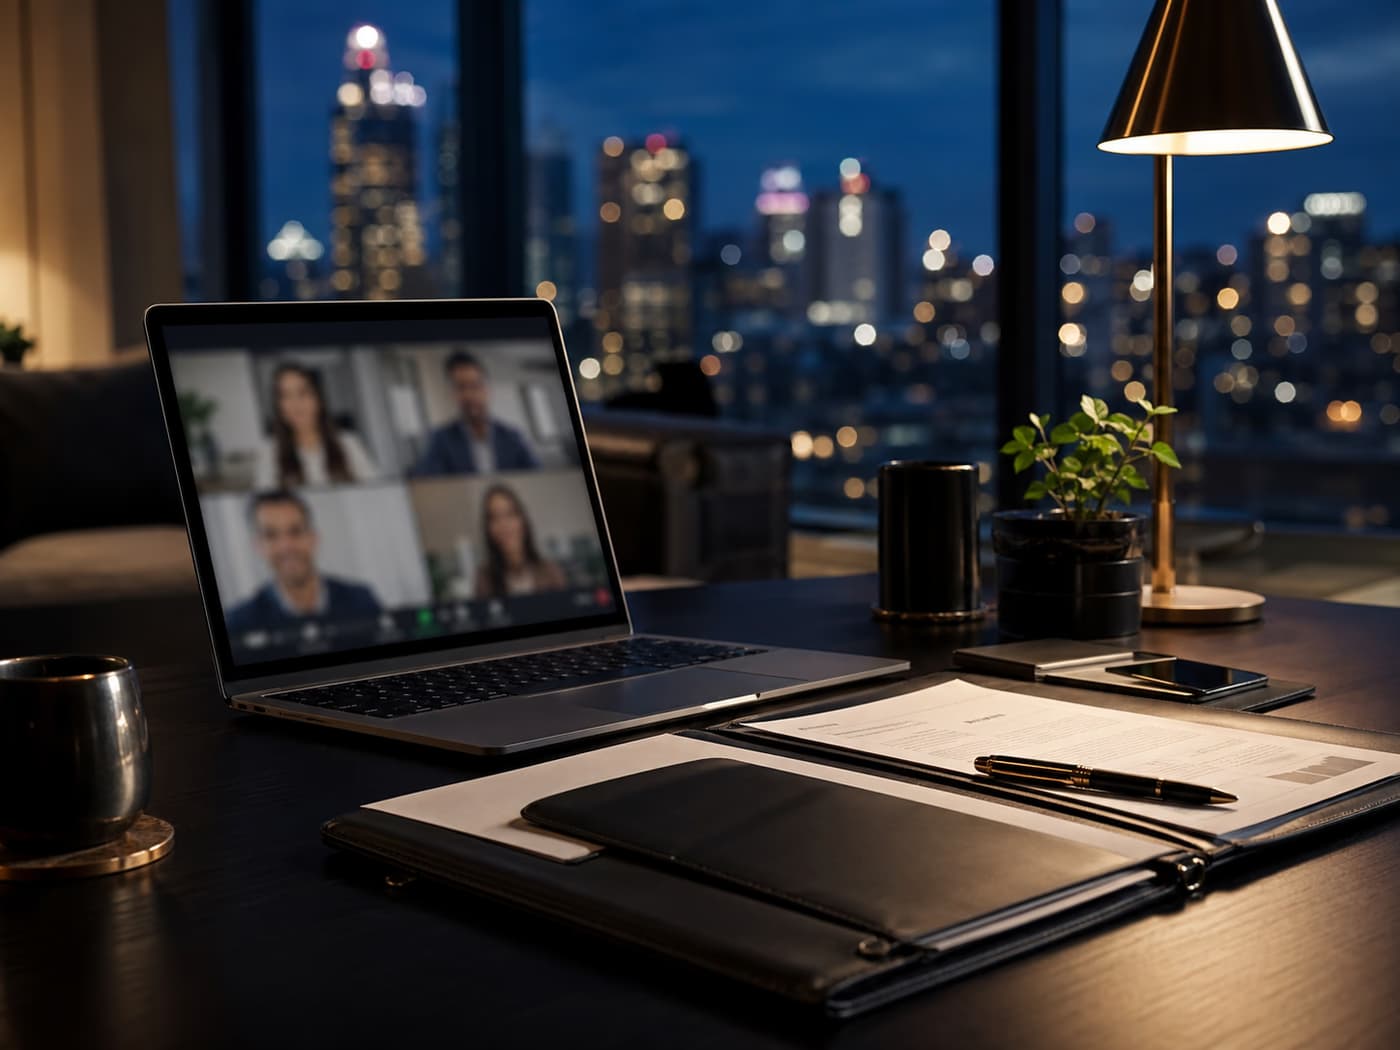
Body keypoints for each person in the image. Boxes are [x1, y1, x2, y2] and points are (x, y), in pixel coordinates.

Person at [225, 491, 381, 634]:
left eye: (296, 531)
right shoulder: (239, 622)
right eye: (270, 535)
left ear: (313, 538)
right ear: (258, 546)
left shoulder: (362, 600)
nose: (285, 546)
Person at [253, 362, 379, 489]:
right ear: (278, 406)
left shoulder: (348, 444)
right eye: (285, 396)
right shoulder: (269, 453)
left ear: (318, 399)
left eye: (302, 393)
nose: (295, 403)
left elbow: (376, 492)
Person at [413, 351, 538, 476]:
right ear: (453, 393)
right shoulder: (441, 439)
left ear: (487, 390)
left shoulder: (512, 436)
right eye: (460, 387)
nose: (468, 395)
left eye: (475, 385)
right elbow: (427, 479)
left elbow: (537, 475)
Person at [473, 483, 567, 599]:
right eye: (494, 518)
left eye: (510, 514)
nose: (504, 525)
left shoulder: (550, 572)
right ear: (488, 529)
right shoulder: (484, 579)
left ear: (522, 521)